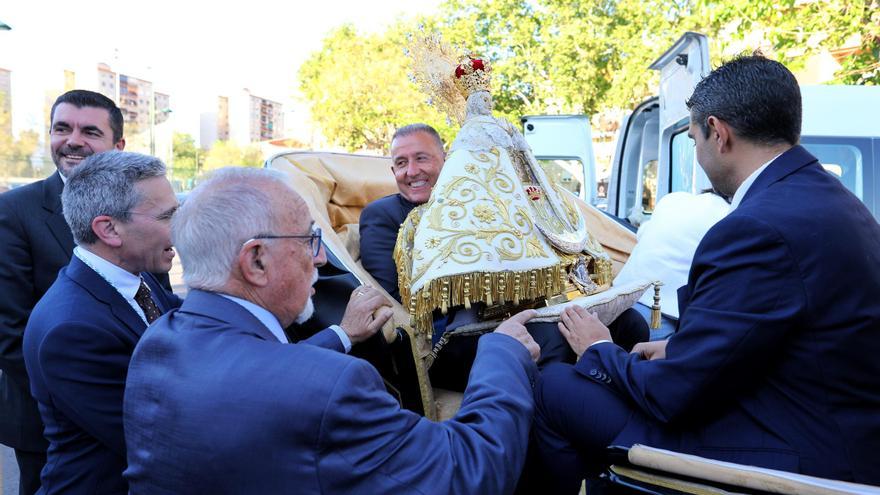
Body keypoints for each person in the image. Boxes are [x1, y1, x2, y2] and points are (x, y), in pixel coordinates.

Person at [524, 55, 880, 492]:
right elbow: (778, 331)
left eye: (693, 139)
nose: (698, 154)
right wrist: (676, 346)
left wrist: (599, 349)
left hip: (801, 454)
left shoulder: (756, 228)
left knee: (555, 386)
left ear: (718, 132)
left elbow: (670, 398)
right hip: (835, 427)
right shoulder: (833, 199)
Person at [123, 167, 541, 494]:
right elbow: (468, 473)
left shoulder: (157, 343)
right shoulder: (332, 385)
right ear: (257, 262)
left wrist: (342, 334)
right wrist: (501, 352)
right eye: (309, 240)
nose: (320, 258)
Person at [22, 152, 182, 494]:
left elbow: (191, 325)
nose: (182, 225)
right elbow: (155, 438)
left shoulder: (136, 277)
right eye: (168, 216)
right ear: (109, 229)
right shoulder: (71, 330)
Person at [0, 89, 126, 495]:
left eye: (90, 131)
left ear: (118, 145)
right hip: (49, 426)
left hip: (131, 414)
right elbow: (9, 336)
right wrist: (94, 401)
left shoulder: (137, 208)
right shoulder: (15, 211)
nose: (73, 140)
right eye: (62, 128)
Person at [614, 190, 729, 339]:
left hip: (619, 299)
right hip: (661, 314)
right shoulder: (728, 215)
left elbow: (642, 233)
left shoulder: (672, 199)